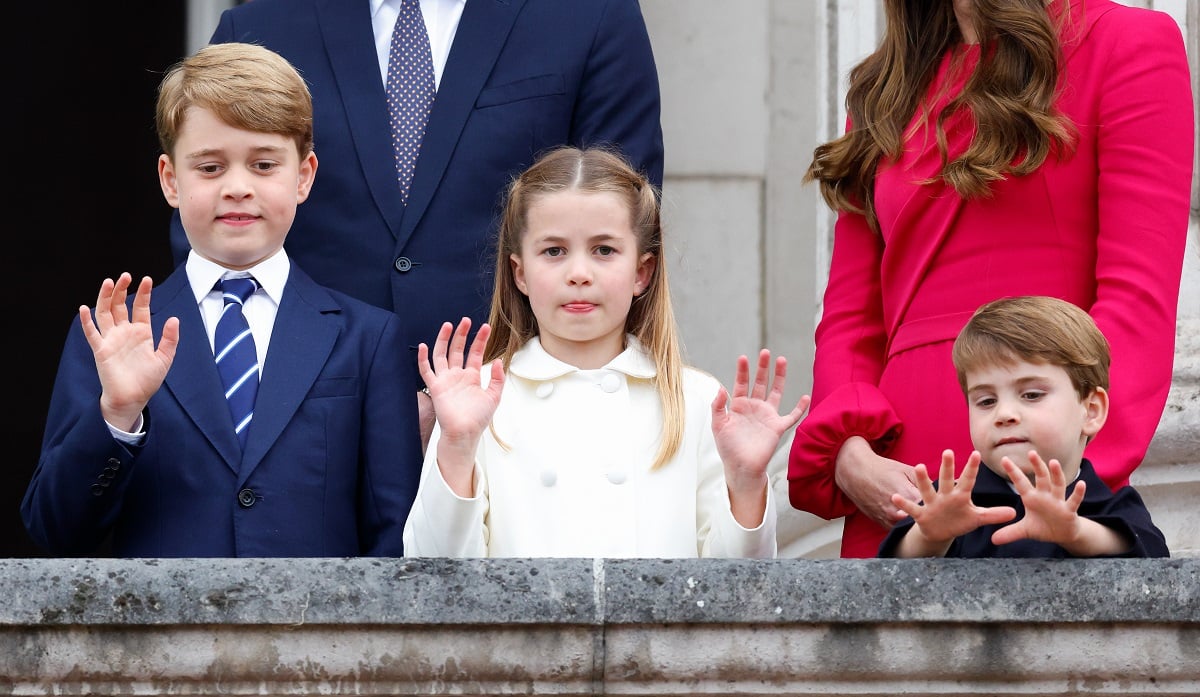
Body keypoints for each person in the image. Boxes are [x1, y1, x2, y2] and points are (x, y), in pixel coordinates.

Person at [788, 0, 1194, 557]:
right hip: (902, 489)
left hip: (1042, 479)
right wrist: (849, 454)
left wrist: (1069, 480)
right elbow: (851, 315)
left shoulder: (1126, 41)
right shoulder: (885, 88)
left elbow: (1137, 299)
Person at [170, 0, 665, 448]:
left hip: (525, 422)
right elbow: (215, 247)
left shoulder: (590, 15)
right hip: (304, 432)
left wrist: (482, 391)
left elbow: (620, 231)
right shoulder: (261, 24)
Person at [21, 43, 422, 557]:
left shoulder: (368, 338)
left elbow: (396, 531)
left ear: (303, 175)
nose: (237, 187)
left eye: (263, 165)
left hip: (319, 634)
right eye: (209, 168)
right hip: (161, 633)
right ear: (171, 179)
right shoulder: (109, 335)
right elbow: (56, 530)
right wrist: (117, 415)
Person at [401, 146, 811, 558]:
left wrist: (745, 481)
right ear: (520, 274)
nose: (579, 274)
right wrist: (455, 444)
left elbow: (738, 594)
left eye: (604, 250)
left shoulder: (696, 401)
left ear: (642, 272)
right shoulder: (479, 400)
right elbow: (436, 577)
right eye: (554, 251)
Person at [878, 296, 1169, 558]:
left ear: (1090, 410)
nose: (1003, 414)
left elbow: (1154, 564)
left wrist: (1076, 533)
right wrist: (930, 536)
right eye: (986, 401)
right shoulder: (955, 503)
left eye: (1031, 395)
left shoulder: (1108, 505)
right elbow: (890, 579)